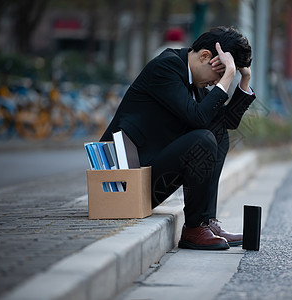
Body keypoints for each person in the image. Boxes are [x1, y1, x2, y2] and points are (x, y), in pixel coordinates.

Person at [100, 26, 256, 250]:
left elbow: (226, 123)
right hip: (127, 183)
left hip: (150, 175)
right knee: (203, 139)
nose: (218, 82)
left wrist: (244, 79)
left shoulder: (196, 78)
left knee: (217, 133)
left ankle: (205, 222)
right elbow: (199, 118)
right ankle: (194, 227)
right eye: (220, 74)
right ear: (204, 56)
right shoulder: (167, 67)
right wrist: (227, 77)